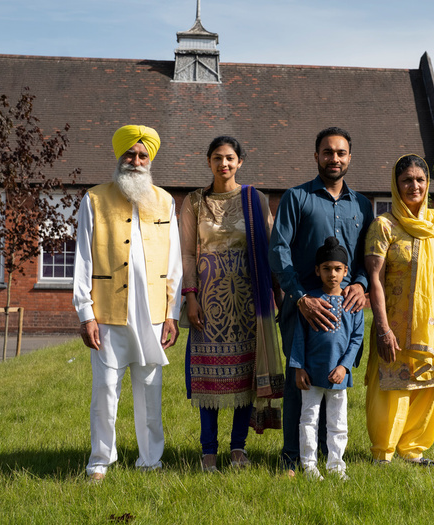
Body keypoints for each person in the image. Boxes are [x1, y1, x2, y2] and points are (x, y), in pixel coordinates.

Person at [73, 124, 182, 483]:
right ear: (119, 156)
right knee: (105, 391)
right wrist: (85, 313)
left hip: (152, 315)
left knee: (150, 393)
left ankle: (151, 460)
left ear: (150, 160)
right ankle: (100, 462)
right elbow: (83, 261)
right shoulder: (94, 199)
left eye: (142, 155)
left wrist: (172, 313)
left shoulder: (165, 201)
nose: (135, 161)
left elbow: (175, 264)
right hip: (107, 314)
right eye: (129, 154)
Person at [269, 127, 373, 474]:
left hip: (346, 309)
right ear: (316, 156)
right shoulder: (296, 198)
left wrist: (360, 285)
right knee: (300, 380)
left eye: (341, 153)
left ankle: (331, 459)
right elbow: (278, 249)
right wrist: (299, 298)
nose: (335, 159)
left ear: (349, 157)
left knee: (335, 377)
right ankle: (291, 458)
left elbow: (365, 256)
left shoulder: (362, 205)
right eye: (328, 152)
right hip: (303, 307)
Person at [179, 136, 283, 473]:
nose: (224, 164)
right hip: (207, 304)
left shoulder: (255, 200)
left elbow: (270, 251)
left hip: (248, 302)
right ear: (207, 162)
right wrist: (191, 297)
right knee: (206, 375)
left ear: (240, 162)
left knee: (244, 375)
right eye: (217, 158)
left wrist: (278, 299)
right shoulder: (194, 202)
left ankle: (238, 447)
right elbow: (187, 253)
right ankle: (208, 450)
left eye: (230, 158)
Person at [364, 153, 434, 466]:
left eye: (420, 180)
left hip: (433, 325)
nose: (415, 185)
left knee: (432, 387)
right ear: (396, 186)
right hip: (395, 325)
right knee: (394, 388)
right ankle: (382, 453)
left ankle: (413, 449)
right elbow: (375, 278)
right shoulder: (384, 226)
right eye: (407, 180)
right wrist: (382, 327)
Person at [290, 237, 364, 481]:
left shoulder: (353, 304)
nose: (332, 274)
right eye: (326, 268)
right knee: (308, 420)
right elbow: (299, 338)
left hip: (338, 375)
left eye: (337, 269)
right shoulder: (310, 301)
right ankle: (309, 465)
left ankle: (336, 466)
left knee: (338, 422)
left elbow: (356, 338)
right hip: (311, 373)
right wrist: (299, 368)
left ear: (345, 270)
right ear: (317, 270)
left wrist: (344, 367)